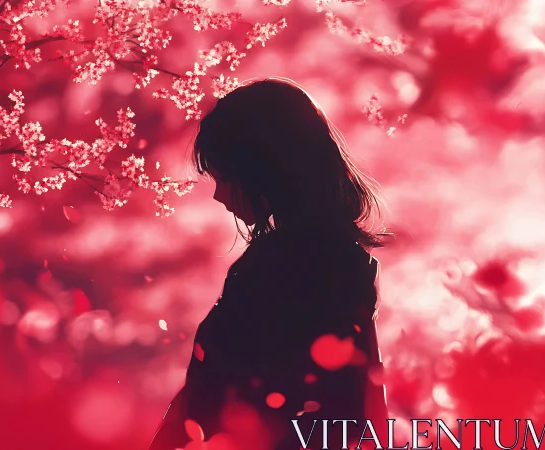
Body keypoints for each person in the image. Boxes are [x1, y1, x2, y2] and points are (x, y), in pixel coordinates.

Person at [148, 78, 392, 450]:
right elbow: (371, 404)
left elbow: (222, 390)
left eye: (225, 178)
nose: (218, 194)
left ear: (267, 170)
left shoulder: (274, 270)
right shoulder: (349, 263)